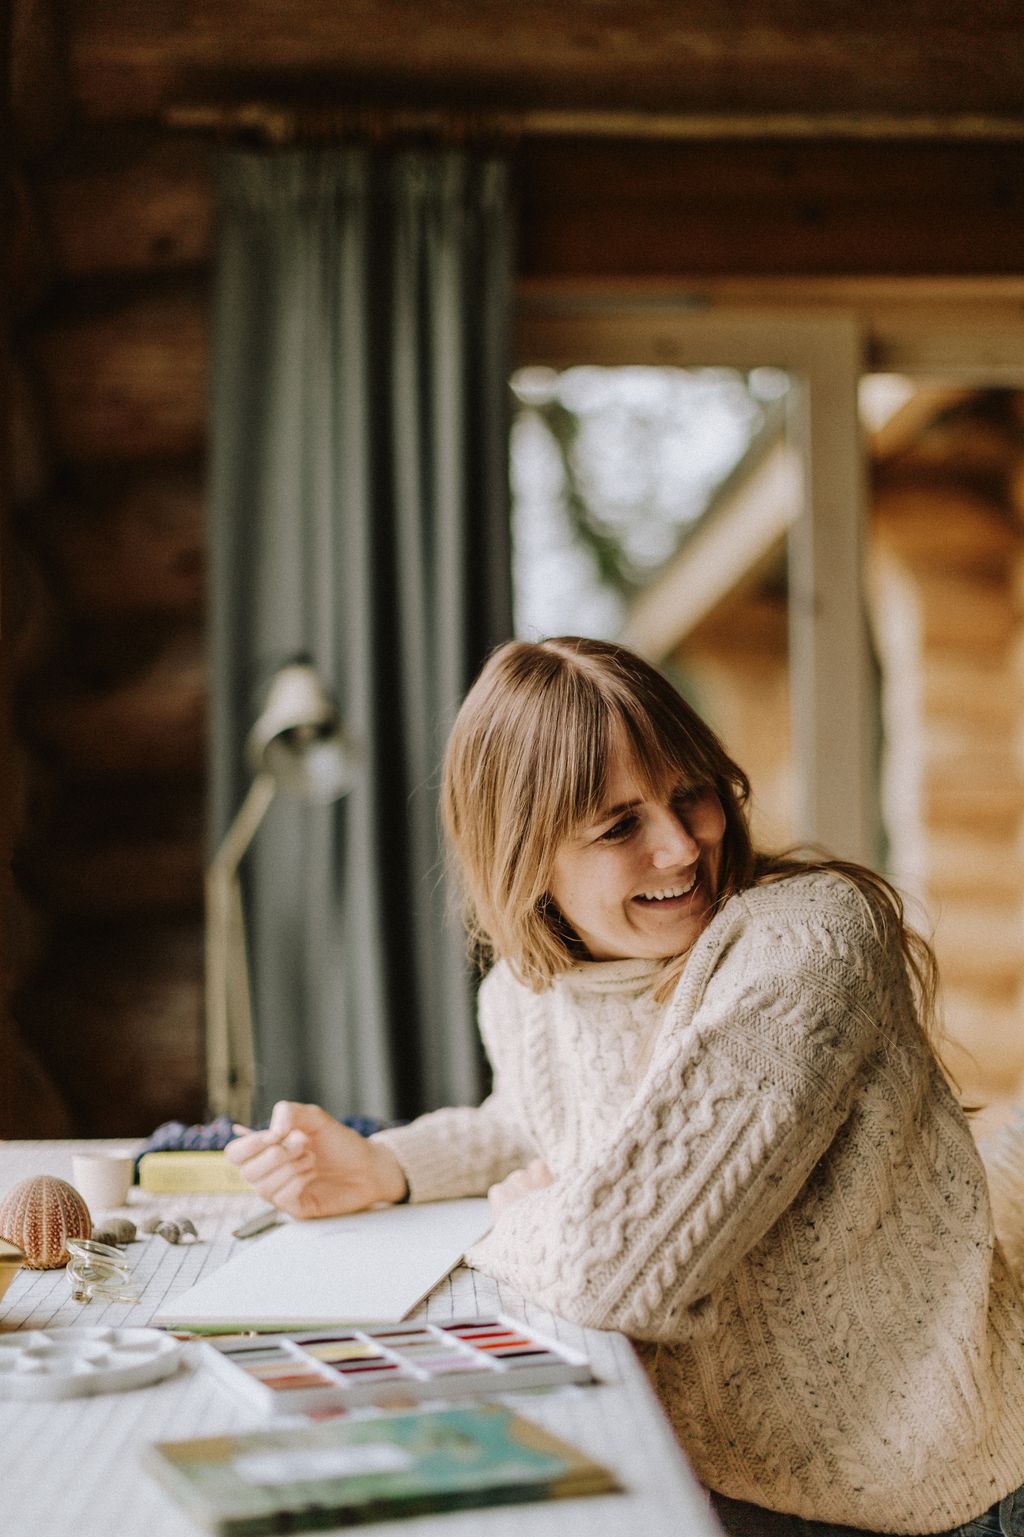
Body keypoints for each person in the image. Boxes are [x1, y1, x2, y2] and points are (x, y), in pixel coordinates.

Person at [227, 635, 1024, 1537]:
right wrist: (383, 1163)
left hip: (939, 1489)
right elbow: (536, 1122)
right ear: (522, 855)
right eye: (619, 825)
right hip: (741, 1477)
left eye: (691, 794)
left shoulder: (802, 944)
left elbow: (612, 1269)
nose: (682, 845)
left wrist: (528, 1218)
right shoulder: (528, 993)